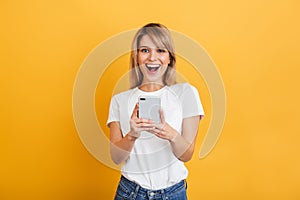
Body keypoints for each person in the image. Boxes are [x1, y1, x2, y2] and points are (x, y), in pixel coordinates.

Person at [107, 23, 204, 200]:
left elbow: (186, 155)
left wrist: (170, 133)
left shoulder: (186, 94)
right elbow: (115, 157)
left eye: (160, 50)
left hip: (173, 193)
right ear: (136, 56)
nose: (152, 57)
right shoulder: (120, 100)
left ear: (169, 58)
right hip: (130, 192)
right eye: (144, 50)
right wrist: (132, 135)